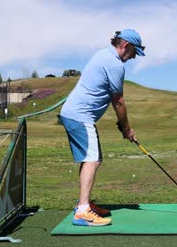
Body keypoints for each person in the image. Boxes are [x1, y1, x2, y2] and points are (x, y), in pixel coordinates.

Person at [59, 29, 145, 226]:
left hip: (76, 115)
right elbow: (118, 101)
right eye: (133, 53)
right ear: (126, 46)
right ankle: (82, 211)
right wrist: (127, 129)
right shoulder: (115, 64)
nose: (132, 57)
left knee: (91, 158)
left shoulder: (102, 54)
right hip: (80, 116)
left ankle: (85, 203)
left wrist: (123, 125)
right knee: (92, 159)